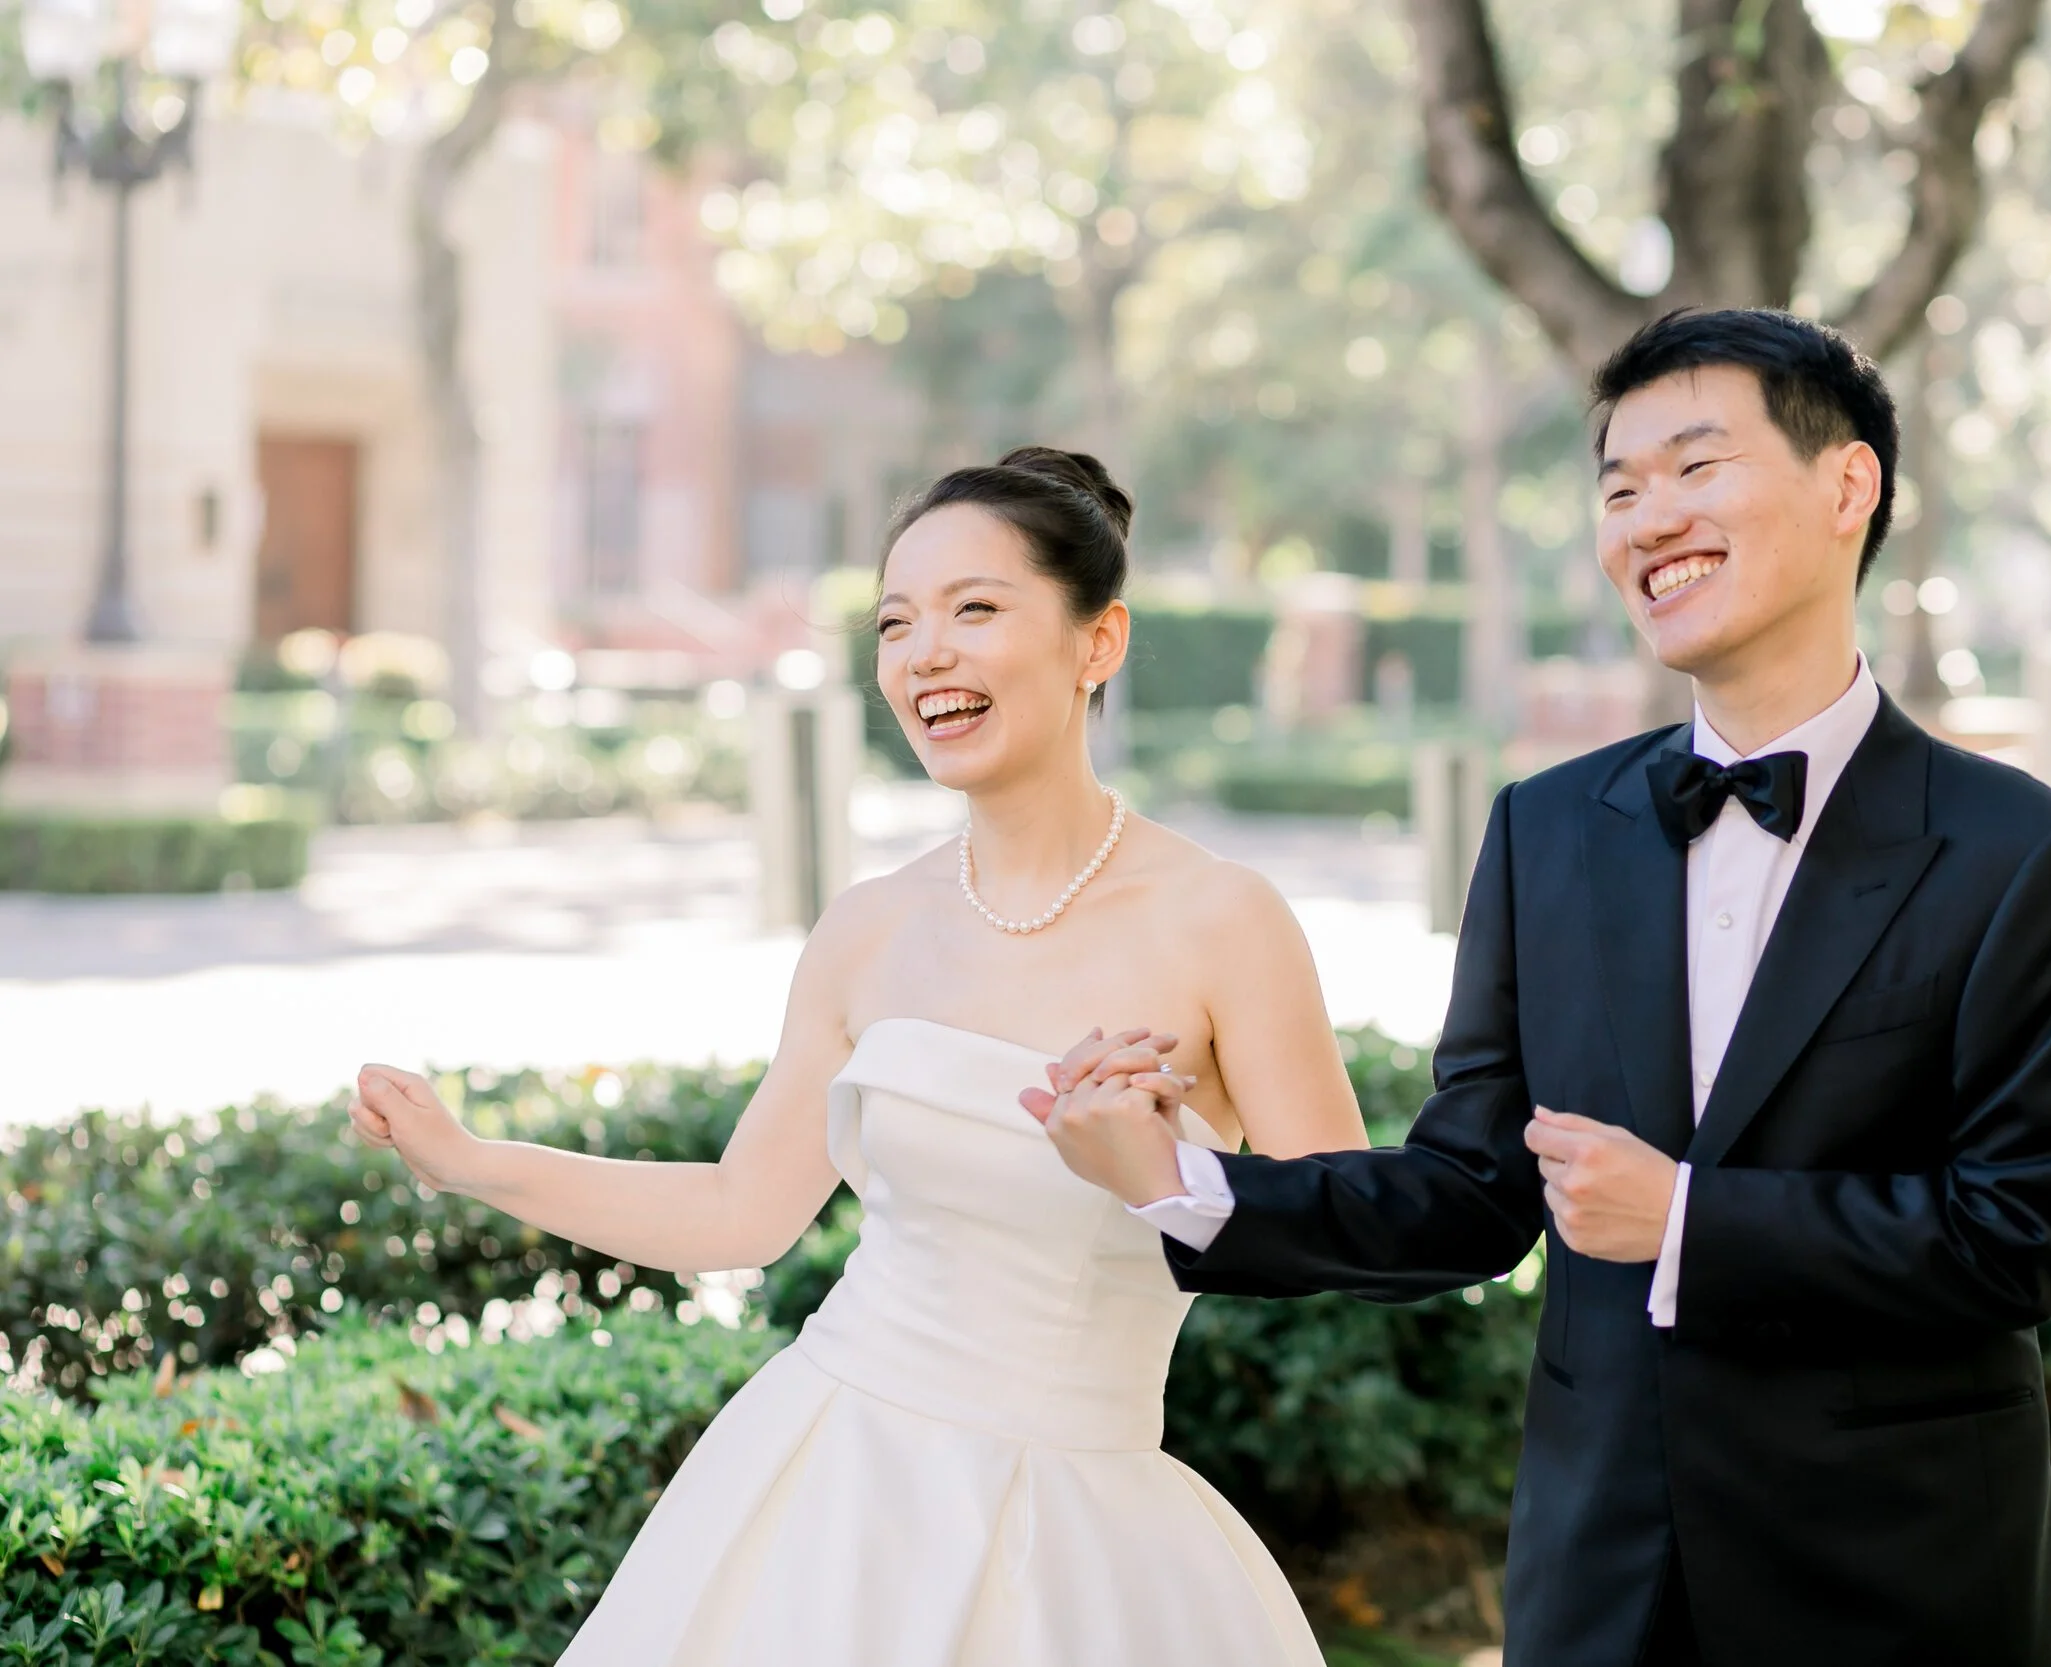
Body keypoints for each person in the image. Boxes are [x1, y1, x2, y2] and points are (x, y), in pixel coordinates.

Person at [1034, 311, 2051, 1665]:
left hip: (1901, 1580)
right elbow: (1477, 1187)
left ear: (1848, 486)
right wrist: (1184, 1181)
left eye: (1694, 467)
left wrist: (1687, 1214)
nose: (1646, 518)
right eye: (1618, 489)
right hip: (1606, 1574)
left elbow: (2023, 1236)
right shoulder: (1546, 829)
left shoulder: (2026, 854)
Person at [346, 446, 1368, 1666]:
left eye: (975, 609)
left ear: (1098, 642)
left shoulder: (1222, 919)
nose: (924, 652)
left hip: (1086, 1529)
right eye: (896, 622)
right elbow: (739, 1209)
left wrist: (1158, 1174)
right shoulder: (870, 927)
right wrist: (471, 1161)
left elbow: (1353, 1228)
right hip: (829, 1495)